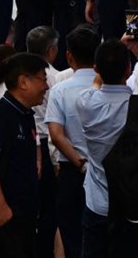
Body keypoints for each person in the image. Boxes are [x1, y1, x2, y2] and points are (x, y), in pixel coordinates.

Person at [76, 39, 138, 257]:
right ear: (129, 69)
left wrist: (112, 50)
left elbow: (96, 83)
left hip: (97, 204)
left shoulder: (85, 103)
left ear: (96, 69)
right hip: (134, 206)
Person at [0, 53, 49, 258]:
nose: (47, 86)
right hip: (6, 216)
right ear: (23, 82)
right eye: (43, 79)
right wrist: (0, 207)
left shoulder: (25, 115)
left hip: (23, 215)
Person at [44, 25, 99, 258]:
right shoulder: (111, 87)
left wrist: (79, 164)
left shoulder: (60, 89)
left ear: (69, 55)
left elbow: (56, 134)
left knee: (72, 237)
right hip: (106, 170)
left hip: (72, 171)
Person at [26, 25, 61, 258]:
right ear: (51, 50)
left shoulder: (20, 73)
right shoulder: (55, 78)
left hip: (28, 141)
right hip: (49, 143)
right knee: (51, 207)